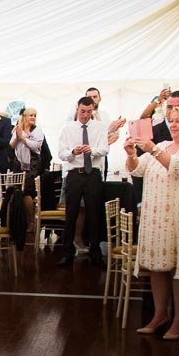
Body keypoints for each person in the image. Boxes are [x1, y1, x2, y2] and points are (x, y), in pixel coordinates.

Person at [124, 101, 179, 340]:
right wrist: (131, 155)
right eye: (171, 120)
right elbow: (136, 170)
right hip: (157, 218)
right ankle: (159, 314)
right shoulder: (163, 145)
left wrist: (153, 150)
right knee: (158, 266)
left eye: (178, 121)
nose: (173, 125)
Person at [58, 96, 108, 267]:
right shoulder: (67, 128)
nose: (85, 115)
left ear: (93, 110)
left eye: (88, 112)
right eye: (82, 111)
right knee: (71, 214)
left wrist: (92, 150)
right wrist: (73, 151)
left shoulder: (100, 127)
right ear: (77, 109)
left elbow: (105, 149)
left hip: (92, 174)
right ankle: (67, 253)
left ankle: (95, 253)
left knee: (94, 214)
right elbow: (61, 153)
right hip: (75, 174)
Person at [10, 107, 45, 231]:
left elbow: (36, 146)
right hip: (19, 164)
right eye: (30, 115)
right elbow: (11, 145)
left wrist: (23, 139)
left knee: (27, 192)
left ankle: (31, 221)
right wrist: (17, 137)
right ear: (24, 117)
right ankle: (20, 221)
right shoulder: (18, 128)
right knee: (18, 191)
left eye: (35, 115)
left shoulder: (37, 130)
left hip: (32, 165)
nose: (33, 117)